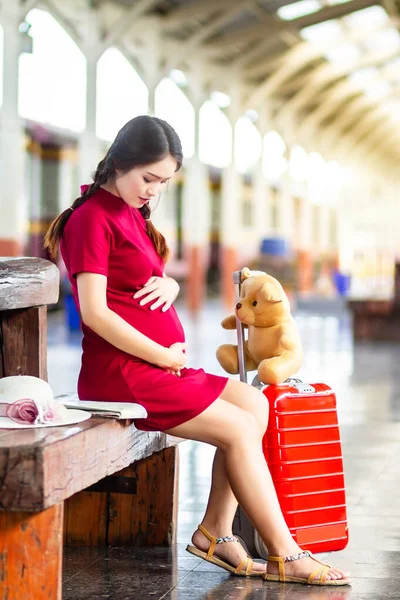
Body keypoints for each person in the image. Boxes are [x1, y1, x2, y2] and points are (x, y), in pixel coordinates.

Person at [44, 116, 349, 586]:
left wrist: (166, 282)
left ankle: (216, 531)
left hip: (154, 366)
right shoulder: (91, 218)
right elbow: (94, 312)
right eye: (149, 178)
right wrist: (164, 355)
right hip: (123, 373)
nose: (154, 191)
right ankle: (286, 553)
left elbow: (137, 277)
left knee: (254, 402)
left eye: (164, 182)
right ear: (120, 164)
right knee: (237, 428)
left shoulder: (129, 212)